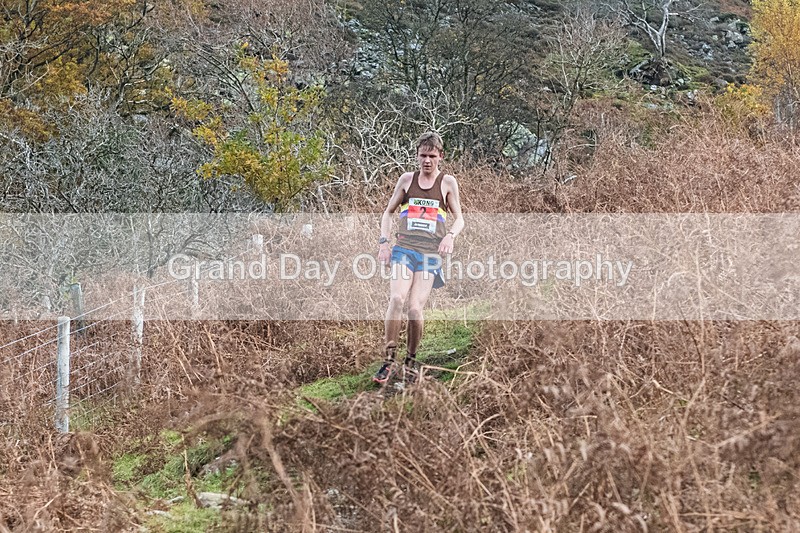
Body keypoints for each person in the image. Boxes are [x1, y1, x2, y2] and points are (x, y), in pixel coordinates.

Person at [372, 131, 464, 385]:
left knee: (414, 308)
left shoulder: (447, 183)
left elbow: (460, 218)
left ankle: (411, 360)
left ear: (440, 157)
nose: (427, 161)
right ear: (417, 156)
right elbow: (388, 213)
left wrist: (450, 237)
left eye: (432, 156)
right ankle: (389, 360)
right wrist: (383, 243)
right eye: (423, 155)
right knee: (397, 298)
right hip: (404, 248)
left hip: (430, 254)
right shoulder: (406, 180)